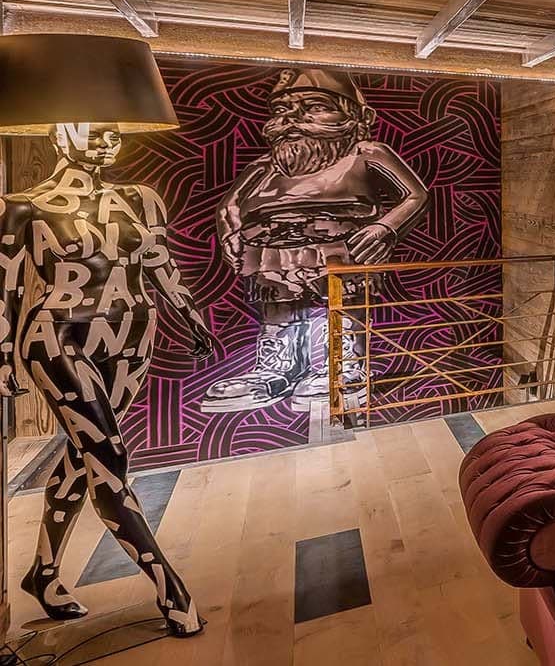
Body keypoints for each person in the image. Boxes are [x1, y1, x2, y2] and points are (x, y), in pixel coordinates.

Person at [0, 124, 214, 636]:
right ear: (60, 137)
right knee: (109, 459)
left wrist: (192, 317)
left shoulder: (141, 199)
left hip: (134, 333)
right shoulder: (24, 205)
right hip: (60, 335)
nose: (106, 142)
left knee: (83, 456)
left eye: (113, 133)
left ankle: (43, 574)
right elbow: (5, 287)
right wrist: (5, 355)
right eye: (93, 132)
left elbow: (161, 265)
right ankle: (171, 588)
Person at [205, 69, 428, 413]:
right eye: (282, 110)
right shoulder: (266, 166)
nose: (293, 119)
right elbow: (230, 205)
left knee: (337, 311)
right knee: (277, 313)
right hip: (270, 255)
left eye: (314, 106)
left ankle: (340, 364)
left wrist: (385, 228)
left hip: (340, 251)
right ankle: (277, 368)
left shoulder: (366, 154)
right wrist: (229, 231)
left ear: (358, 116)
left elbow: (414, 195)